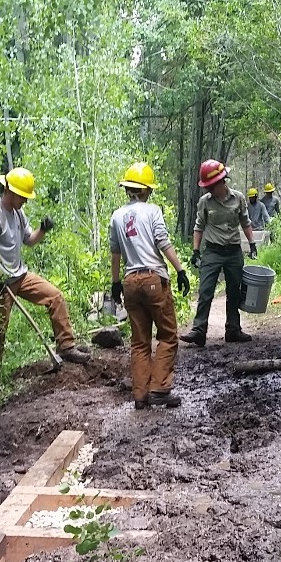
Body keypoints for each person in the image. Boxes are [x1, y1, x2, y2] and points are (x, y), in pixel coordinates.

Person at [0, 167, 90, 368]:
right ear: (10, 191)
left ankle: (66, 346)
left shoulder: (18, 213)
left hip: (20, 275)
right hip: (0, 284)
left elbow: (29, 239)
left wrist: (42, 229)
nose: (25, 201)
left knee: (55, 297)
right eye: (23, 196)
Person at [109, 162, 190, 410]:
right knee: (167, 335)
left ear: (128, 189)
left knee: (139, 341)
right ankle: (160, 389)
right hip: (153, 278)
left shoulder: (116, 216)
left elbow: (115, 252)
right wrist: (180, 270)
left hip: (130, 282)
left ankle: (140, 395)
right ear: (145, 191)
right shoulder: (152, 211)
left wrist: (115, 284)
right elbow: (162, 242)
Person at [180, 159, 257, 347]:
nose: (208, 190)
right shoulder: (204, 202)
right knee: (206, 290)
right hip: (212, 251)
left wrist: (252, 243)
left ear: (222, 182)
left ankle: (233, 329)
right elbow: (199, 227)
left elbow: (245, 222)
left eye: (211, 186)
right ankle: (199, 330)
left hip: (233, 252)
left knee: (234, 291)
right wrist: (196, 251)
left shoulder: (238, 198)